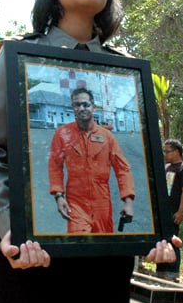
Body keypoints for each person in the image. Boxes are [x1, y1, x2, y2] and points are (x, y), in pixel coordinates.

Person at [0, 0, 181, 303]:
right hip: (34, 256)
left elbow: (134, 161)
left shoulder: (126, 71)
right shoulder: (19, 57)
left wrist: (154, 227)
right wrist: (11, 224)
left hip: (108, 257)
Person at [49, 87, 134, 233]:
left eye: (86, 104)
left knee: (104, 248)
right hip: (76, 203)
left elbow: (122, 168)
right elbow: (55, 166)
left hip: (102, 202)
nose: (81, 108)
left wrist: (128, 201)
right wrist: (59, 196)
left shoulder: (107, 136)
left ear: (93, 108)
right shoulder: (62, 134)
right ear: (73, 108)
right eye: (77, 105)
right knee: (80, 246)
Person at [156, 138, 183, 282]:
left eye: (168, 151)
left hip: (174, 210)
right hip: (163, 211)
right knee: (162, 241)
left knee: (173, 240)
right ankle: (161, 271)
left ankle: (172, 273)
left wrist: (180, 211)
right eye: (164, 151)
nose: (165, 154)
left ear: (177, 152)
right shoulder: (166, 168)